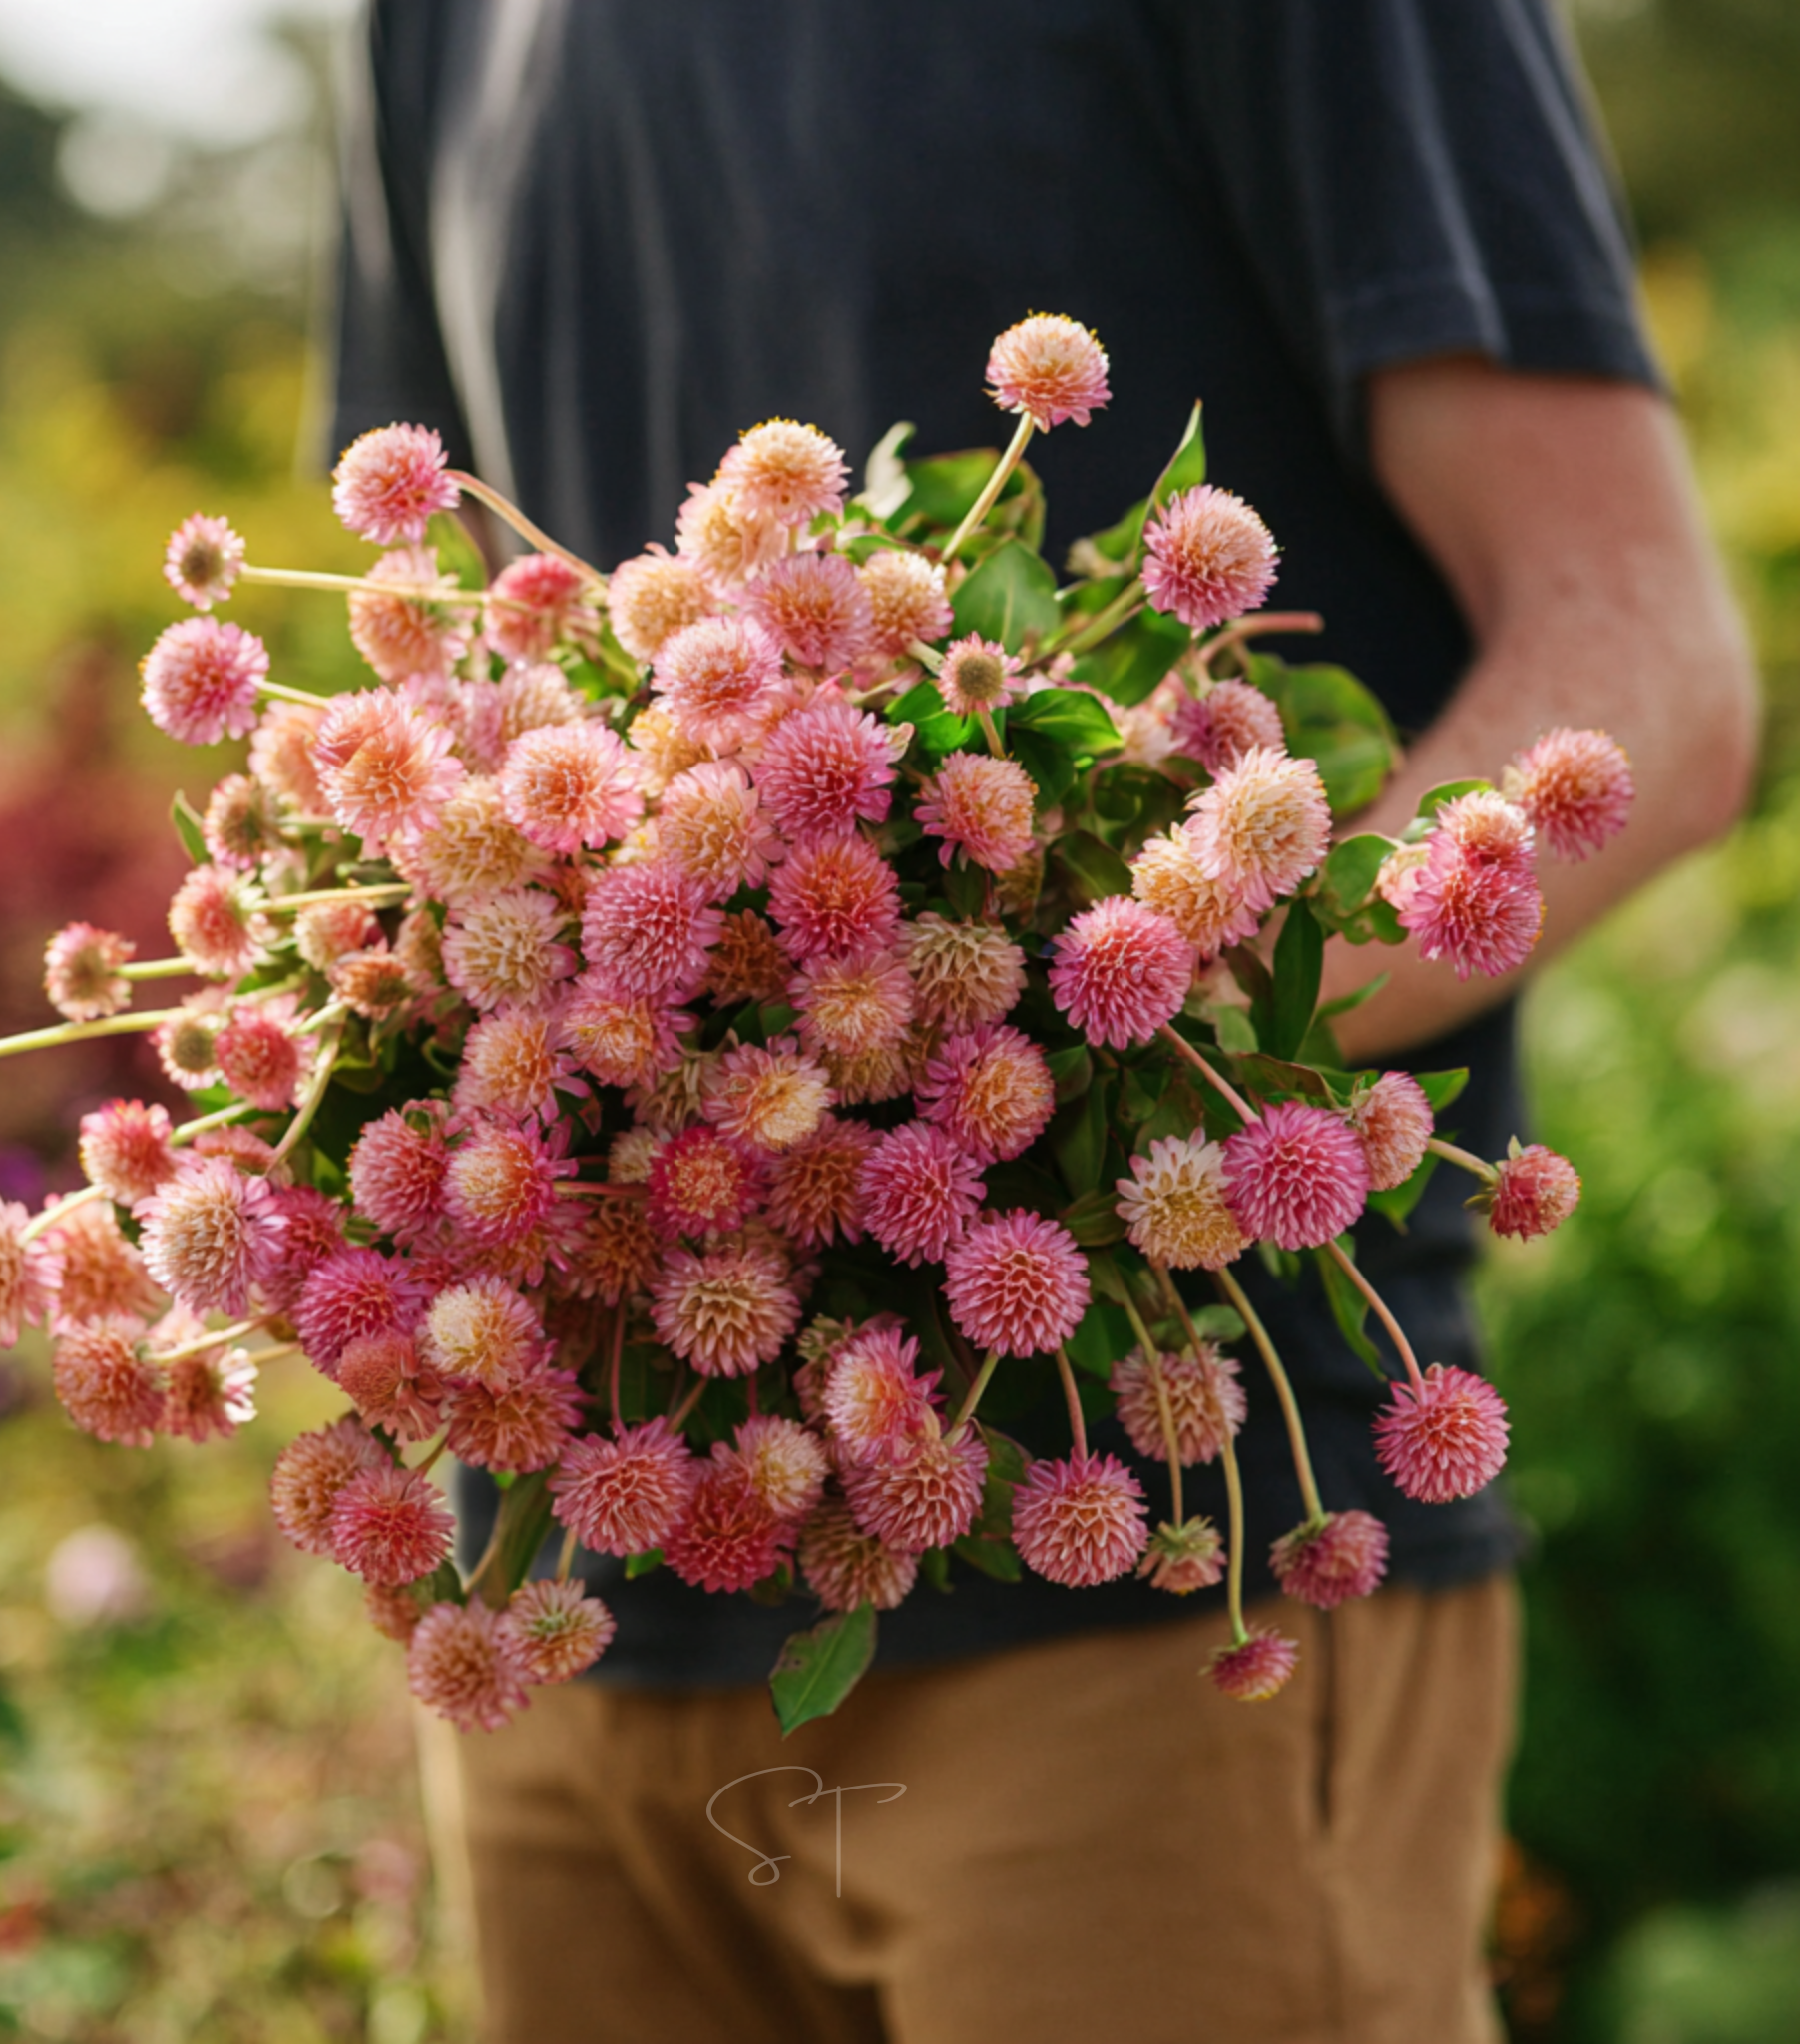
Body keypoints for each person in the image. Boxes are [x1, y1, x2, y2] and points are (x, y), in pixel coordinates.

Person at [331, 5, 1757, 2039]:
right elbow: (447, 654)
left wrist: (1084, 1022)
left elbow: (1644, 662)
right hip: (566, 1615)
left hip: (1142, 1588)